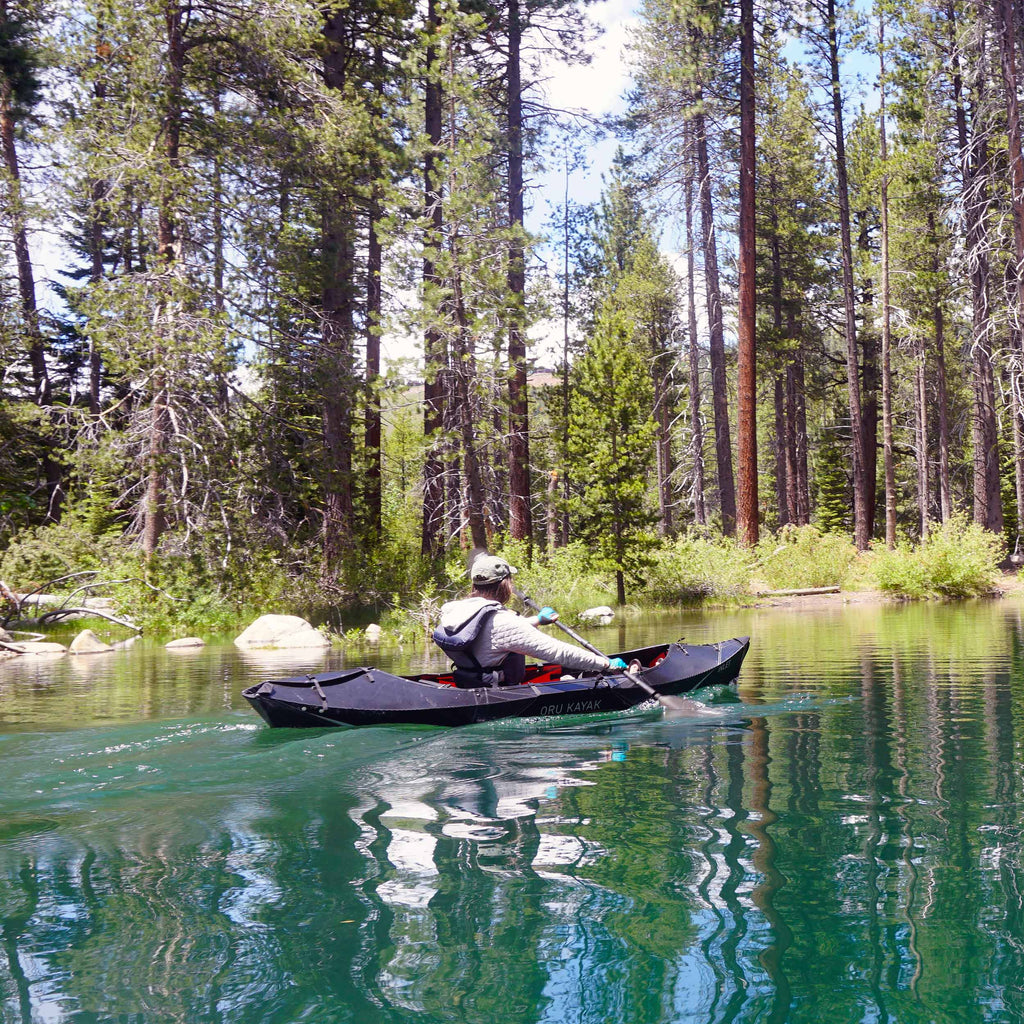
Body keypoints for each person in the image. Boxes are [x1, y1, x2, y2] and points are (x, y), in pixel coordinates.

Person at [432, 554, 627, 688]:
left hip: (468, 682)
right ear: (505, 585)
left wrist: (538, 620)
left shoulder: (456, 610)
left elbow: (490, 634)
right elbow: (558, 652)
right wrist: (605, 664)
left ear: (475, 584)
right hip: (494, 690)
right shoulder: (503, 621)